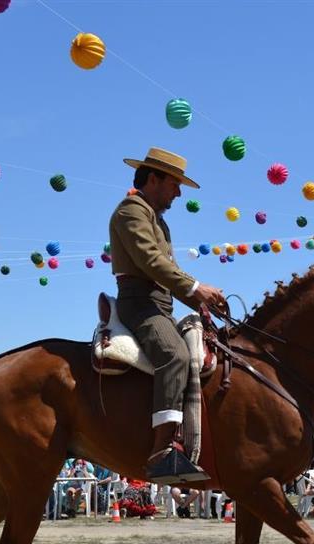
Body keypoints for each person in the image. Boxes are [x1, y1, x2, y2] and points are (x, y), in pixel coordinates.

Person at [110, 147, 226, 485]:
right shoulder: (131, 210)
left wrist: (201, 305)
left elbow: (167, 272)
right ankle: (162, 453)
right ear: (154, 178)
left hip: (160, 305)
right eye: (175, 184)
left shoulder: (158, 220)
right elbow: (152, 263)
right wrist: (195, 288)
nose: (178, 192)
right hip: (140, 304)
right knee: (175, 355)